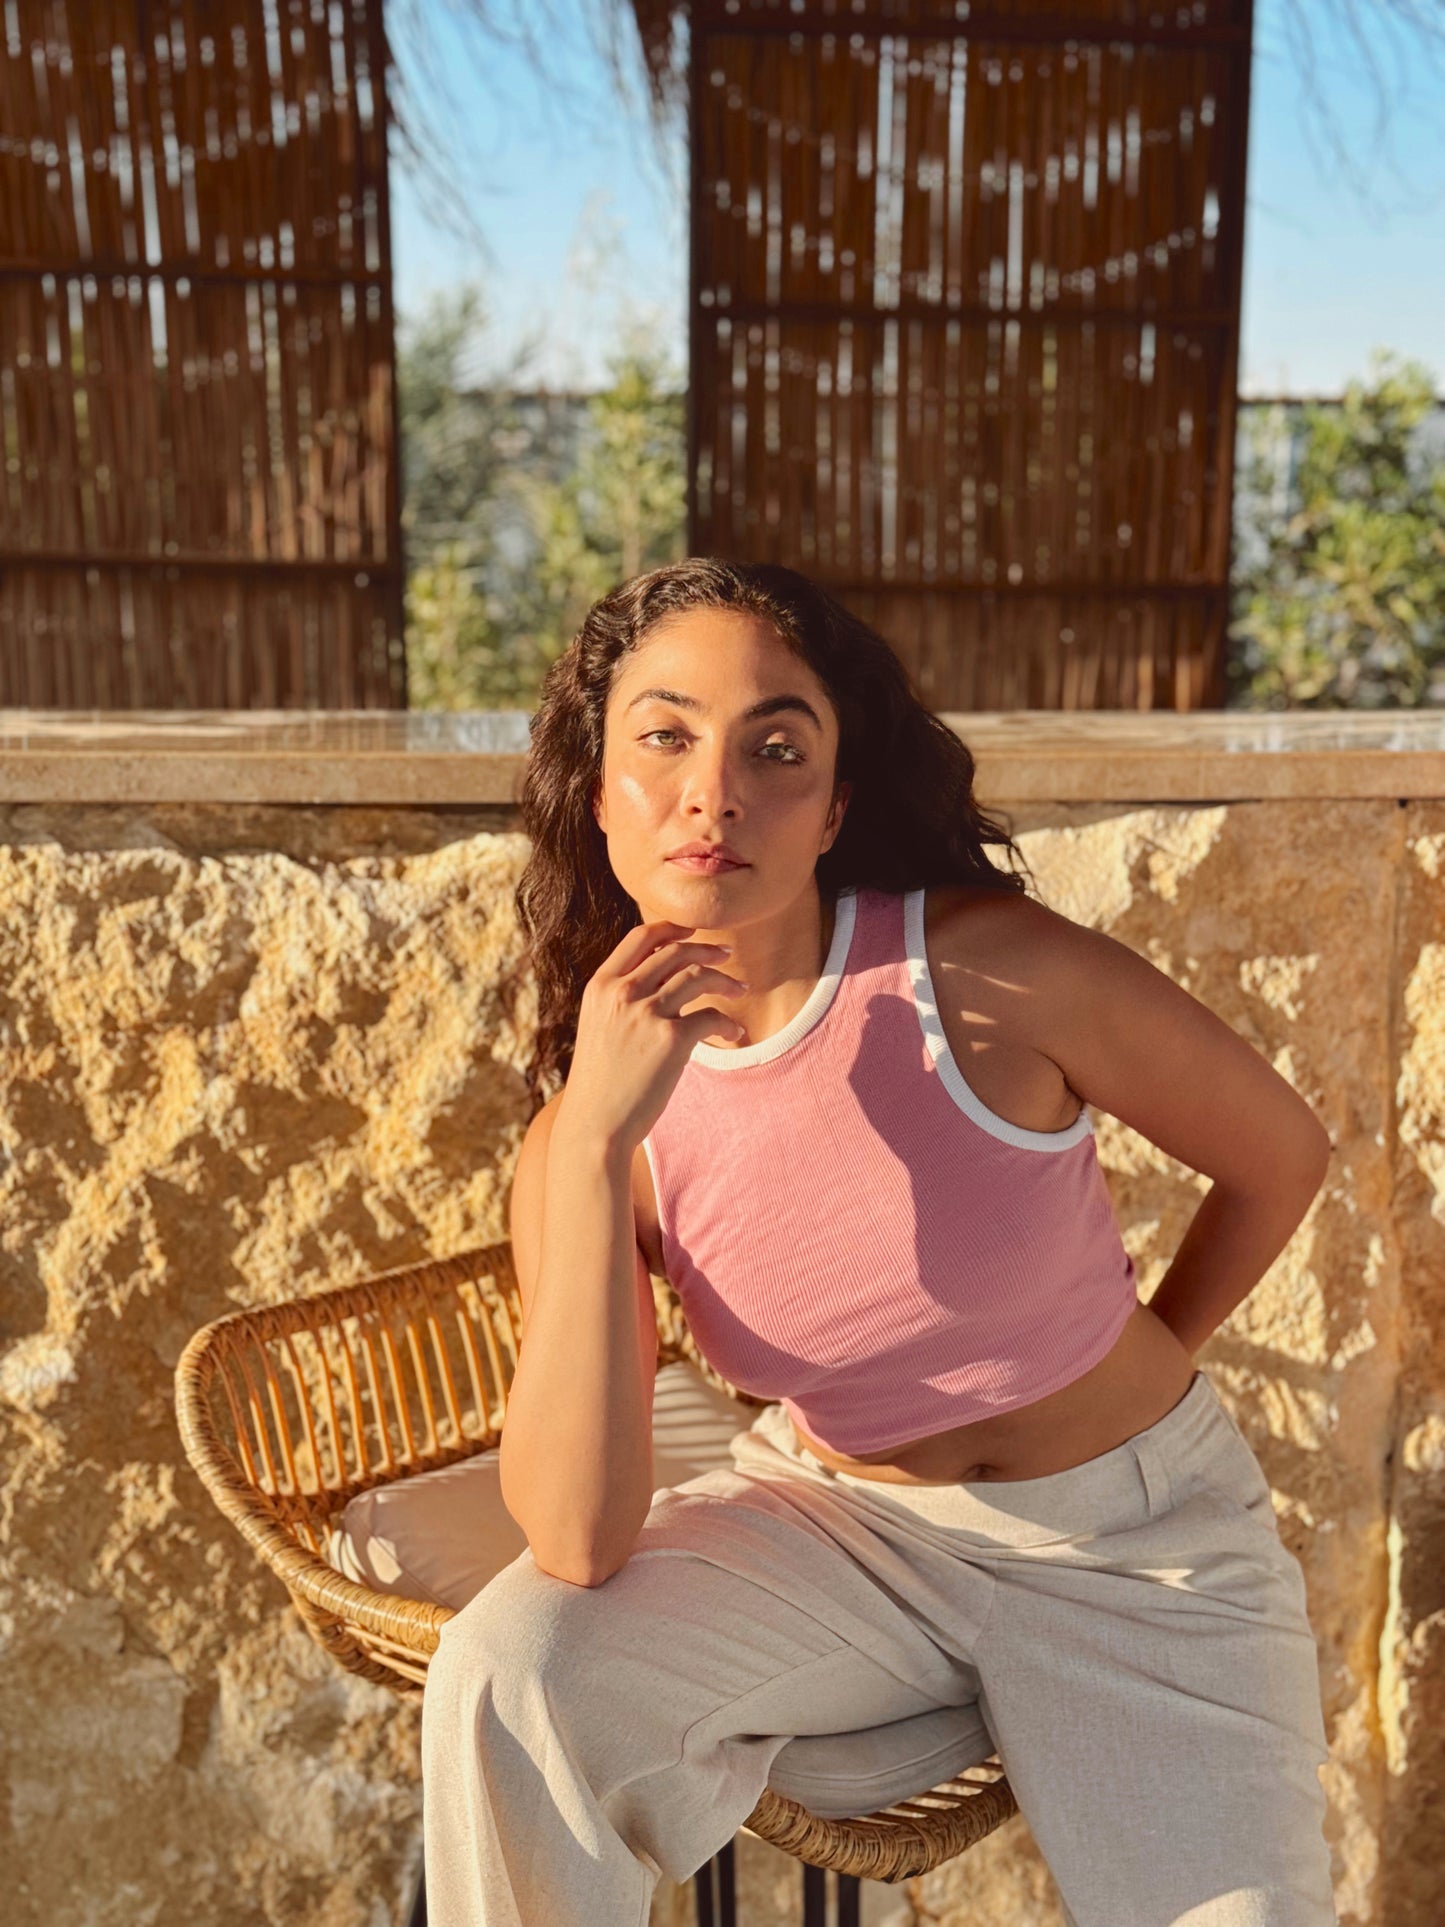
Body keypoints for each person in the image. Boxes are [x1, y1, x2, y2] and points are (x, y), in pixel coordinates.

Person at [420, 558, 1339, 1926]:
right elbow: (571, 1533)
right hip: (839, 1533)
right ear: (598, 790)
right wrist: (599, 1141)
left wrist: (1139, 1361)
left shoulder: (991, 972)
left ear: (835, 804)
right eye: (662, 736)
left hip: (1133, 1547)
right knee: (512, 1666)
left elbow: (1280, 1156)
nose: (712, 789)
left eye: (772, 746)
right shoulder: (586, 1143)